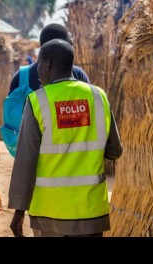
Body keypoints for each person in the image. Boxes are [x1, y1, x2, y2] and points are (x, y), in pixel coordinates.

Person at [8, 39, 123, 237]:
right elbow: (115, 151)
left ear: (47, 65)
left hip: (49, 214)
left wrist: (18, 213)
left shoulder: (38, 101)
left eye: (39, 64)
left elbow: (26, 161)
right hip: (90, 211)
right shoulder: (98, 96)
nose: (37, 71)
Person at [8, 23, 90, 94]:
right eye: (70, 45)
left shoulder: (22, 76)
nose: (73, 49)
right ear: (57, 47)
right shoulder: (78, 75)